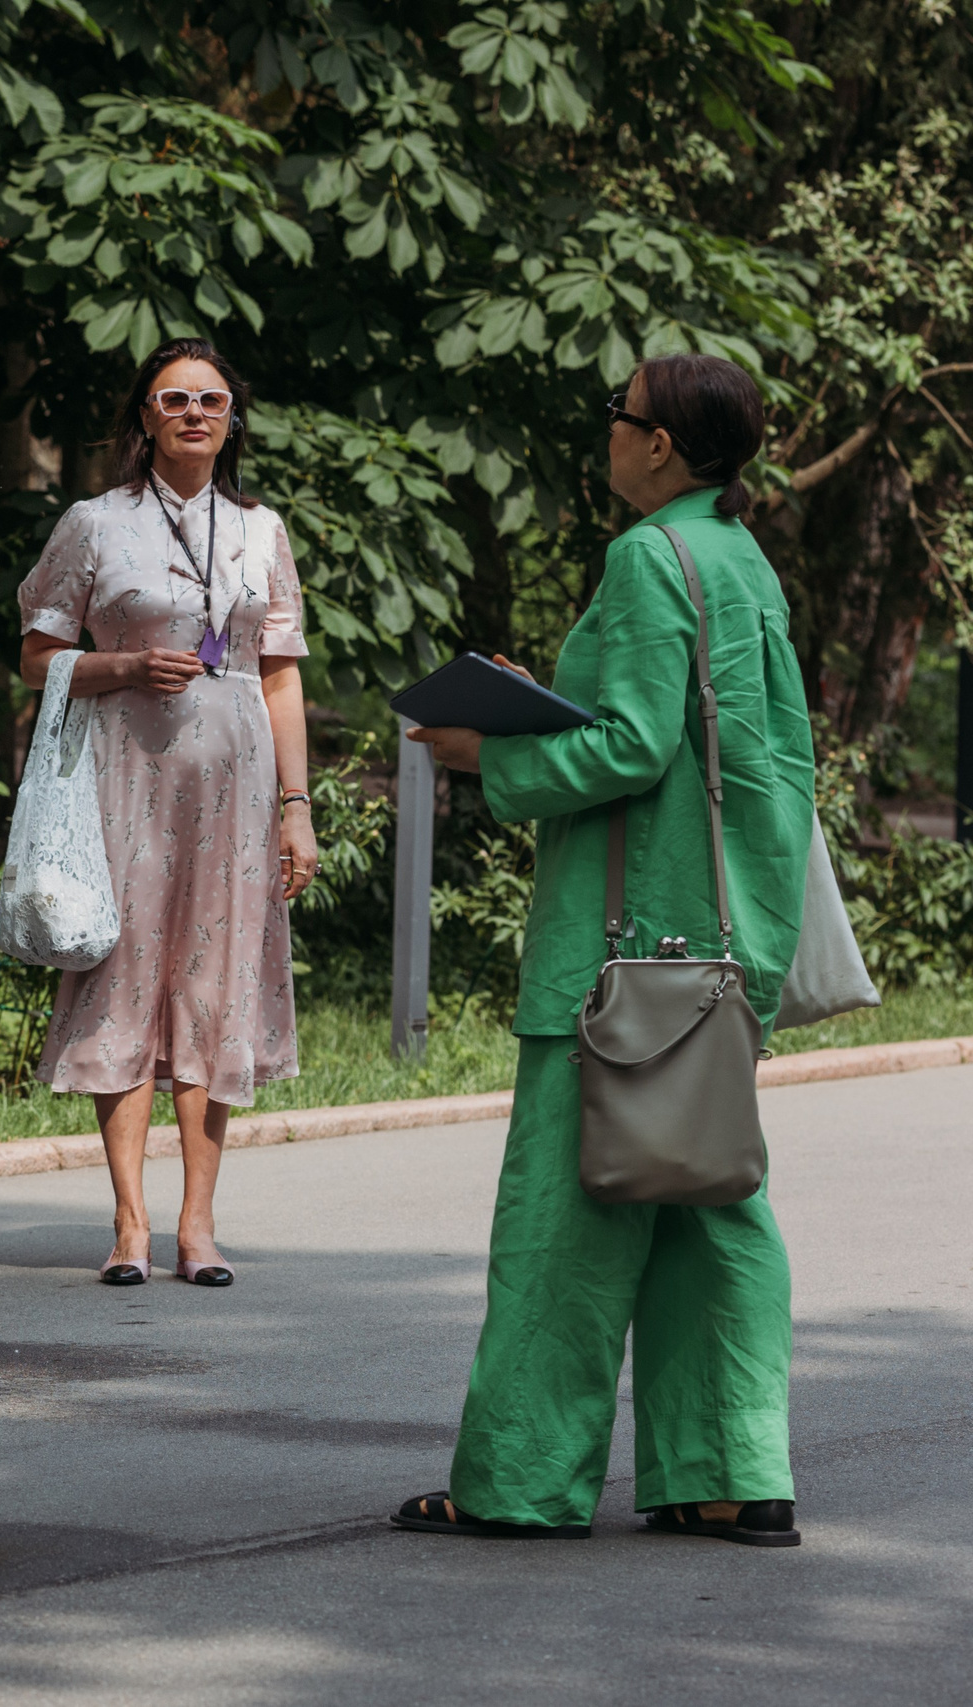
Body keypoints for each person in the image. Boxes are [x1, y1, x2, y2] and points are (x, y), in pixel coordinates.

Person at [394, 354, 813, 1546]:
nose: (611, 433)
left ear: (663, 446)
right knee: (708, 1205)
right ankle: (731, 1473)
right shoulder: (740, 562)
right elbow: (740, 751)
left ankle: (518, 1483)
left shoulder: (645, 558)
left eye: (619, 416)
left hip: (618, 956)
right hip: (722, 934)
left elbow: (632, 750)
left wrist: (490, 754)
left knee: (563, 1222)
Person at [14, 337, 316, 1289]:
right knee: (127, 981)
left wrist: (296, 808)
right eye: (174, 398)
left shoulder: (262, 531)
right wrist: (124, 667)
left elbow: (280, 677)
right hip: (125, 783)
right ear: (144, 416)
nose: (194, 412)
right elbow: (35, 656)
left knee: (213, 988)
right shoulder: (94, 524)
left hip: (233, 793)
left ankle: (198, 1223)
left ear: (233, 419)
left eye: (212, 400)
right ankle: (129, 1222)